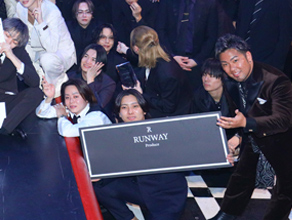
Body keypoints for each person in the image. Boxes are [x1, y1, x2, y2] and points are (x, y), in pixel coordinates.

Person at [211, 34, 292, 220]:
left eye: (235, 60)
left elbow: (283, 120)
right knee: (241, 176)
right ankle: (227, 215)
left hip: (285, 139)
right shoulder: (229, 81)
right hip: (254, 136)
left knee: (286, 187)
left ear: (248, 56)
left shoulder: (276, 81)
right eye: (225, 64)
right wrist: (237, 139)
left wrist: (245, 124)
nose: (232, 68)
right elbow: (237, 114)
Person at [93, 89, 188, 220]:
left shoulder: (161, 132)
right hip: (141, 187)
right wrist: (100, 175)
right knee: (100, 185)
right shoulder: (118, 136)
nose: (130, 112)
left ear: (144, 110)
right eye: (124, 107)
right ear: (119, 113)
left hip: (165, 194)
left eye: (135, 106)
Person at [13, 0, 76, 86]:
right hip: (36, 50)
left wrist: (41, 22)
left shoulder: (51, 11)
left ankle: (60, 84)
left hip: (59, 52)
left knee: (47, 60)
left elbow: (52, 48)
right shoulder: (20, 7)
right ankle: (37, 85)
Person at [128, 25, 190, 117]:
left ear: (136, 49)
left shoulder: (166, 74)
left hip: (174, 118)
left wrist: (141, 94)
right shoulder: (156, 56)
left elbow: (167, 107)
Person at [36, 78, 112, 137]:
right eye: (67, 97)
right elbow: (41, 113)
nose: (71, 101)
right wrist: (49, 98)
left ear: (86, 98)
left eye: (76, 97)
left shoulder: (96, 117)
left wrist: (62, 116)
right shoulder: (71, 107)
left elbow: (68, 131)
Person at [67, 44, 117, 113]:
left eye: (93, 59)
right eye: (85, 56)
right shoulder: (70, 77)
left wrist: (90, 81)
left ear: (101, 64)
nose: (87, 61)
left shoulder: (108, 84)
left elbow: (97, 108)